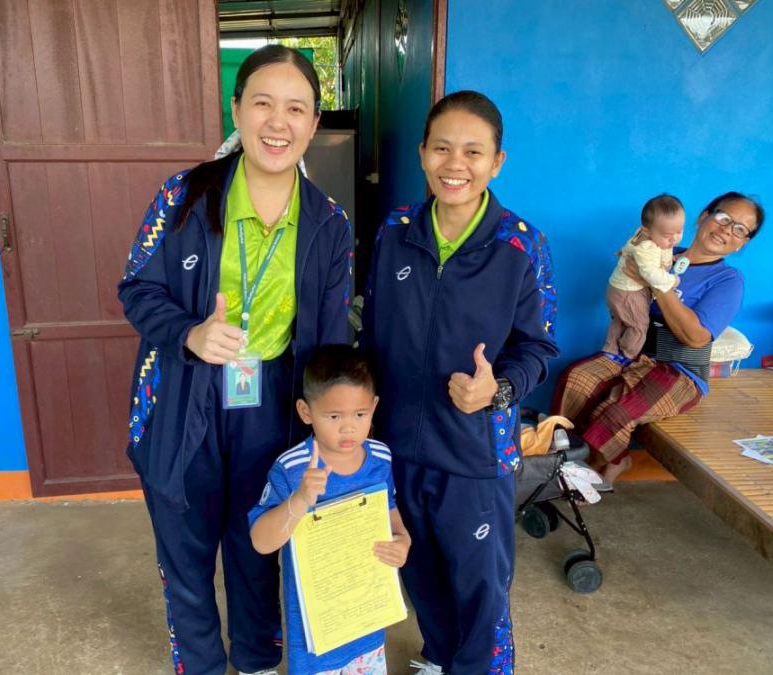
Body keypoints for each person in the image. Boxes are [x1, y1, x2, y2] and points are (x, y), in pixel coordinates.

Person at [118, 45, 353, 675]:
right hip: (183, 392)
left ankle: (255, 658)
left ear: (313, 123)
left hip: (272, 399)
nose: (278, 123)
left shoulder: (329, 224)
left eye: (296, 109)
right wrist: (189, 333)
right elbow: (136, 288)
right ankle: (200, 665)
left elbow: (331, 339)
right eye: (263, 104)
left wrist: (333, 425)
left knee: (258, 539)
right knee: (185, 546)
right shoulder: (184, 196)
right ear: (236, 109)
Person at [360, 90, 559, 675]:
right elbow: (372, 333)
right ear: (422, 153)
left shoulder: (521, 245)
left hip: (475, 452)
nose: (455, 164)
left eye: (473, 152)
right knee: (418, 570)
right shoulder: (395, 230)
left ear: (497, 162)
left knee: (480, 589)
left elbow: (540, 347)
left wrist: (498, 390)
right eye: (442, 148)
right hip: (397, 444)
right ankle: (440, 658)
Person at [553, 192, 764, 482]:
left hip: (679, 370)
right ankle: (562, 464)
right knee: (577, 380)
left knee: (615, 413)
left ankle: (600, 467)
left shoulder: (728, 280)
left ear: (743, 243)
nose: (727, 230)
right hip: (632, 353)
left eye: (740, 229)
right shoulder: (658, 251)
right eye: (724, 218)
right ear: (704, 216)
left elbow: (696, 337)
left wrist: (657, 282)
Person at [249, 344, 410, 674]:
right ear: (306, 412)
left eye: (360, 415)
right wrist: (300, 499)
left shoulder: (380, 457)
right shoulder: (292, 469)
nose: (348, 427)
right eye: (334, 416)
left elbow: (389, 509)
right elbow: (261, 542)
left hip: (368, 621)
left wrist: (403, 540)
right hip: (316, 633)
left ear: (374, 407)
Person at [603, 194, 685, 359]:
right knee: (639, 326)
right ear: (647, 231)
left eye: (679, 231)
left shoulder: (650, 236)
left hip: (618, 289)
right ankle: (627, 356)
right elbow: (652, 274)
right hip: (629, 293)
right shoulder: (648, 247)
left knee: (621, 320)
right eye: (668, 236)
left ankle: (610, 351)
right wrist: (673, 280)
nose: (675, 239)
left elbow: (653, 253)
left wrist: (670, 257)